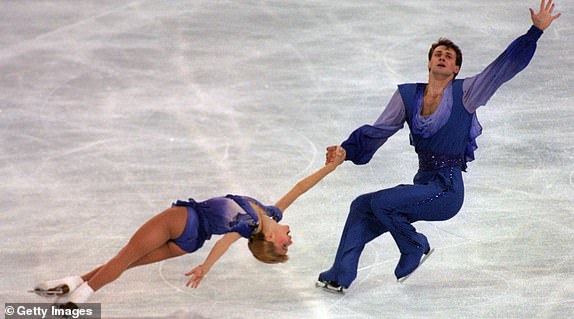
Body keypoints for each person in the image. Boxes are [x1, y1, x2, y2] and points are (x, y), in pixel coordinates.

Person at [316, 0, 561, 292]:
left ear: (456, 67)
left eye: (449, 56)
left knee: (383, 204)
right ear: (430, 63)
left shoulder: (467, 93)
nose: (442, 58)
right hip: (424, 185)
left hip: (447, 191)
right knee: (361, 206)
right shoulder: (407, 96)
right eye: (438, 54)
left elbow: (502, 68)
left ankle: (415, 246)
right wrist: (345, 151)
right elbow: (378, 131)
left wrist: (534, 32)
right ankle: (339, 274)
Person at [33, 146, 347, 306]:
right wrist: (331, 167)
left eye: (283, 246)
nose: (289, 241)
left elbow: (224, 243)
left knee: (123, 259)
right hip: (190, 242)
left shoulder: (249, 223)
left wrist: (206, 268)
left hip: (181, 222)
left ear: (267, 238)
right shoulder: (270, 215)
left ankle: (77, 299)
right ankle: (72, 282)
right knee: (125, 263)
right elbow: (301, 188)